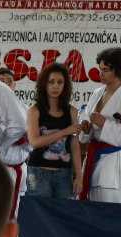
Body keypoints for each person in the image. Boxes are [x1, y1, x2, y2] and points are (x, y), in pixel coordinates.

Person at [26, 62, 83, 199]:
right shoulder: (34, 110)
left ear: (65, 85)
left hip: (65, 173)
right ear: (44, 84)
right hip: (38, 171)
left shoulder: (73, 112)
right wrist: (65, 131)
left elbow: (75, 146)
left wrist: (79, 176)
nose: (55, 86)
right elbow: (34, 142)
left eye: (60, 82)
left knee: (64, 212)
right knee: (41, 212)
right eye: (51, 82)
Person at [79, 47, 121, 203]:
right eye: (100, 69)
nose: (101, 73)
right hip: (93, 156)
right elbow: (85, 132)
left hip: (114, 161)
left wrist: (105, 123)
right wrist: (86, 130)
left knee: (108, 205)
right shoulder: (97, 93)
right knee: (90, 205)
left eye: (106, 70)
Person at [0, 66, 33, 217]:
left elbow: (33, 138)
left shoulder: (25, 109)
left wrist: (28, 137)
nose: (6, 84)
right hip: (0, 168)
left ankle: (14, 234)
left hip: (20, 167)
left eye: (9, 81)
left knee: (17, 211)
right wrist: (19, 137)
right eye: (1, 81)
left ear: (14, 85)